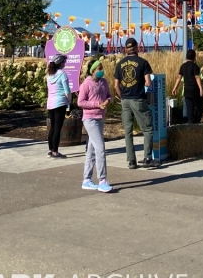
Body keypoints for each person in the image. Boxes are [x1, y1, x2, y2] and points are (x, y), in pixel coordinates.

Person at [114, 37, 156, 169]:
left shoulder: (120, 64)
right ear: (137, 47)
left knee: (128, 131)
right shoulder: (143, 62)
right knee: (148, 129)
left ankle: (131, 160)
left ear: (126, 49)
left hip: (125, 100)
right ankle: (147, 158)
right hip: (138, 99)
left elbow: (116, 85)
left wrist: (122, 97)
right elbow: (148, 83)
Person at [77, 58, 113, 192]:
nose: (101, 71)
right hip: (90, 119)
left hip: (100, 117)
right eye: (99, 69)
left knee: (91, 150)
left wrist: (108, 101)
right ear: (92, 71)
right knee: (100, 147)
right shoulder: (86, 84)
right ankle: (102, 180)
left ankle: (86, 179)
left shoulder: (104, 82)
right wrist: (97, 104)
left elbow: (109, 96)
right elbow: (81, 102)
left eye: (101, 68)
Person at [46, 54, 71, 158]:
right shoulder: (62, 74)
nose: (65, 63)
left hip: (50, 103)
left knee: (52, 127)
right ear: (60, 63)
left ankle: (50, 149)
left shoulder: (49, 75)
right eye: (64, 62)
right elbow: (67, 91)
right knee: (58, 128)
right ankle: (55, 151)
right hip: (60, 103)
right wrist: (69, 102)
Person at [172, 49, 203, 124]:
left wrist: (175, 88)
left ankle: (190, 123)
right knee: (199, 106)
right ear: (194, 57)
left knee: (189, 108)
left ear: (186, 57)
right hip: (194, 89)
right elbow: (197, 77)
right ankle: (197, 121)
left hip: (186, 90)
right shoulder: (195, 66)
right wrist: (201, 89)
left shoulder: (183, 66)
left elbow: (179, 77)